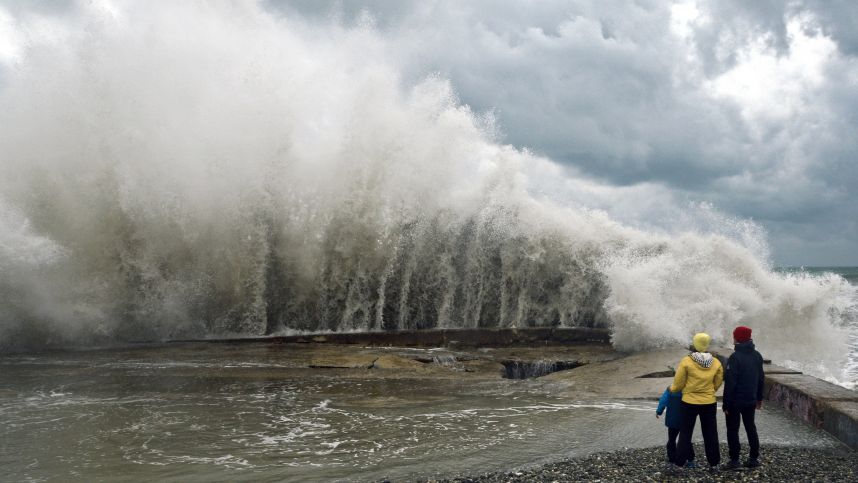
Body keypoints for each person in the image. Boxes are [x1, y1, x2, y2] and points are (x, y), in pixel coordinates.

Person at [669, 332, 724, 471]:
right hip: (709, 403)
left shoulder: (686, 361)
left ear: (694, 344)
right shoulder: (716, 362)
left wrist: (672, 389)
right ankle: (714, 464)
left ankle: (679, 464)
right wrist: (710, 392)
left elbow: (678, 384)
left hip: (689, 403)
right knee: (711, 433)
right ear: (706, 345)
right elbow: (718, 382)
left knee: (686, 433)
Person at [722, 325, 765, 470]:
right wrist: (759, 398)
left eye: (734, 336)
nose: (732, 338)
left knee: (733, 430)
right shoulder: (757, 355)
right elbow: (761, 379)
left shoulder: (735, 358)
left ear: (738, 338)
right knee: (750, 427)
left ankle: (734, 460)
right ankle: (753, 458)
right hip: (750, 399)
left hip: (735, 401)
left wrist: (726, 404)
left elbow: (730, 383)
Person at [656, 387, 697, 467]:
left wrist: (659, 411)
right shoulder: (689, 388)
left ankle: (672, 460)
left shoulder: (670, 389)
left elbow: (663, 401)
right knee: (686, 440)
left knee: (671, 440)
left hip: (672, 419)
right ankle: (690, 460)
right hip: (685, 420)